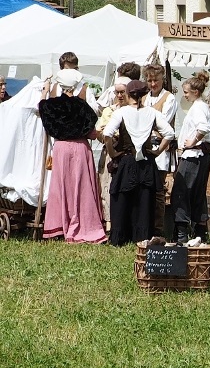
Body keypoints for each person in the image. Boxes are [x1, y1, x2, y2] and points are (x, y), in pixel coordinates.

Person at [37, 68, 107, 243]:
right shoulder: (82, 105)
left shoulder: (51, 105)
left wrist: (44, 92)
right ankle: (86, 224)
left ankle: (60, 224)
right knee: (82, 187)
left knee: (61, 186)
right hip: (80, 148)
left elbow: (42, 108)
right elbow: (91, 130)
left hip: (61, 149)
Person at [102, 80, 175, 246]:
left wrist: (113, 153)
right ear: (145, 95)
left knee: (122, 198)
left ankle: (120, 236)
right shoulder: (152, 113)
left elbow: (107, 134)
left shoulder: (121, 112)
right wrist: (157, 151)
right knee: (144, 200)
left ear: (128, 94)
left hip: (127, 160)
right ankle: (141, 236)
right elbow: (169, 133)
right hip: (146, 162)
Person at [171, 72, 210, 243]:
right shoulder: (203, 107)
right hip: (201, 156)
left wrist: (192, 141)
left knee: (181, 193)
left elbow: (203, 127)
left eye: (187, 92)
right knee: (197, 194)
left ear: (195, 92)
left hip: (194, 156)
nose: (185, 95)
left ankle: (182, 235)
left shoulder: (198, 108)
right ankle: (200, 233)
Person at [143, 63, 178, 238]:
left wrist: (146, 124)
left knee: (160, 190)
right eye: (149, 80)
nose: (152, 84)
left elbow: (162, 122)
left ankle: (159, 229)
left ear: (162, 79)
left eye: (155, 80)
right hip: (145, 147)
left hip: (161, 148)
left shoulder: (169, 98)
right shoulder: (144, 98)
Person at [96, 76, 132, 231]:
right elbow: (99, 133)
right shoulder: (109, 111)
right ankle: (109, 223)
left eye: (123, 92)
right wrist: (105, 134)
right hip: (111, 153)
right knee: (107, 187)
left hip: (127, 153)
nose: (119, 95)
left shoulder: (134, 110)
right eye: (117, 92)